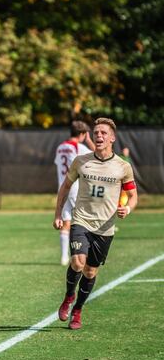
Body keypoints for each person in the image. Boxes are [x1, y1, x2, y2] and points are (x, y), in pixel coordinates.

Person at [53, 117, 137, 330]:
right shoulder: (81, 161)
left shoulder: (123, 167)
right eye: (96, 132)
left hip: (105, 228)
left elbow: (132, 195)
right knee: (78, 262)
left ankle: (78, 310)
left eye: (103, 133)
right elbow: (65, 187)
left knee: (90, 271)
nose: (98, 136)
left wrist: (127, 208)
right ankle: (69, 296)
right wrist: (58, 214)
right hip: (81, 220)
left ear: (112, 138)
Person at [54, 121, 95, 266]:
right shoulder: (79, 147)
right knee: (83, 221)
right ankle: (84, 253)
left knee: (66, 222)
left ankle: (64, 257)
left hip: (62, 187)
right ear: (83, 134)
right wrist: (90, 141)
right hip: (75, 187)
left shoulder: (60, 147)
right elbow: (99, 154)